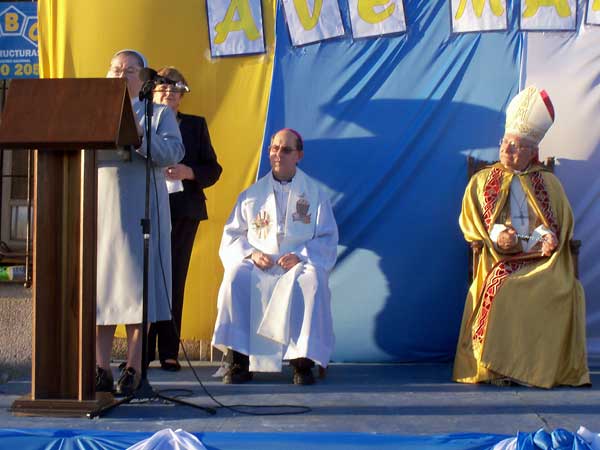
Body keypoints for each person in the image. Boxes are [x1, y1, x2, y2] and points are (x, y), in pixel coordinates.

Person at [453, 86, 590, 388]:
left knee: (560, 288)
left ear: (531, 152)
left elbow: (555, 223)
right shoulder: (482, 180)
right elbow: (473, 221)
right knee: (505, 289)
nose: (506, 150)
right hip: (498, 257)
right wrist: (498, 235)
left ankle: (543, 370)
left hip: (543, 260)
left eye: (515, 147)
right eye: (504, 143)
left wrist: (549, 236)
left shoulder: (548, 183)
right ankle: (497, 368)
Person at [212, 128, 338, 385]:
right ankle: (240, 360)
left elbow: (327, 238)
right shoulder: (251, 195)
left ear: (299, 155)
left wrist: (301, 255)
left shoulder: (315, 194)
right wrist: (251, 253)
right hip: (261, 262)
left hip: (297, 263)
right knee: (236, 277)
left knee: (311, 281)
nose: (278, 154)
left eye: (286, 150)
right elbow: (232, 235)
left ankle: (302, 362)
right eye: (274, 148)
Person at [95, 50, 185, 394]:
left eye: (129, 70)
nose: (121, 74)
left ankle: (133, 368)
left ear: (142, 77)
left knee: (137, 288)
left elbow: (173, 153)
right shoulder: (93, 111)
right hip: (101, 208)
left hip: (141, 209)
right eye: (115, 68)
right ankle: (100, 368)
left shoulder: (157, 113)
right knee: (102, 290)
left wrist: (141, 138)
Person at [147, 67, 222, 372]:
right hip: (146, 208)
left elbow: (213, 169)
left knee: (174, 279)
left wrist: (188, 172)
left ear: (181, 97)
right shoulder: (141, 122)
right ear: (151, 93)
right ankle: (140, 353)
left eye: (174, 89)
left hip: (183, 211)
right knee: (144, 279)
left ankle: (168, 351)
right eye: (162, 88)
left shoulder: (194, 125)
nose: (168, 93)